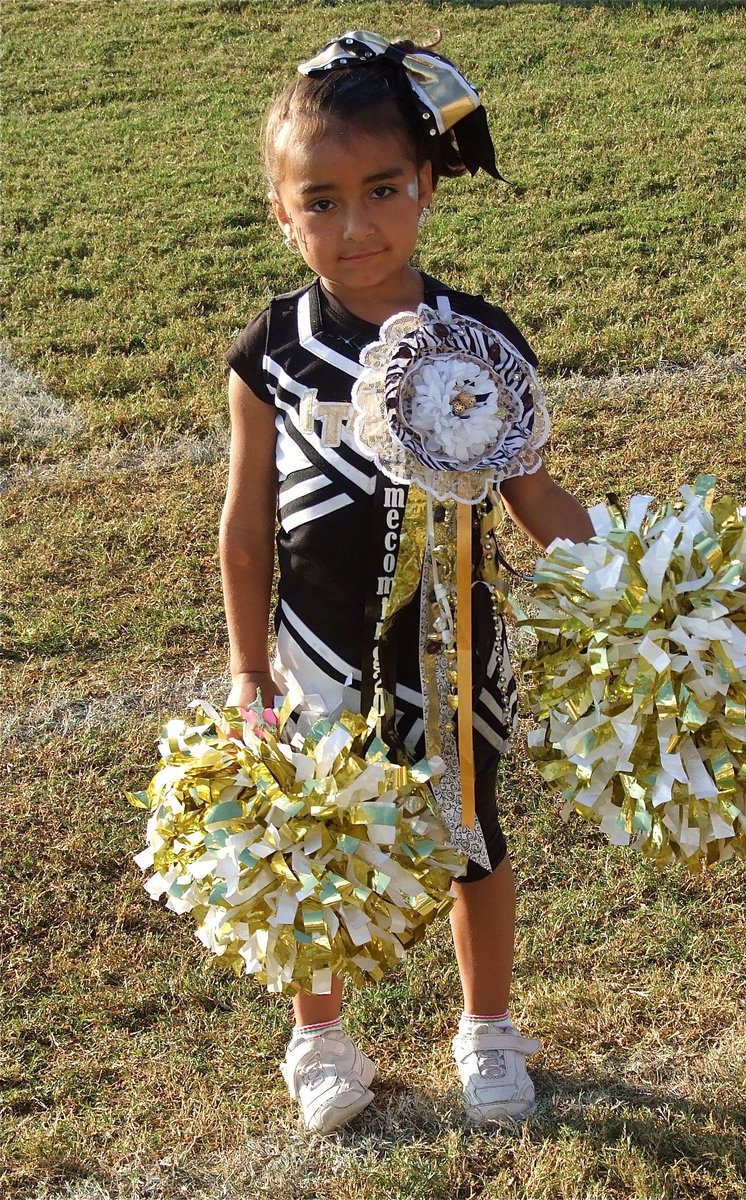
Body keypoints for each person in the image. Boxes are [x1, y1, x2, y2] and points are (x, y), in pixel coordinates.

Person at [220, 31, 594, 1134]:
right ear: (282, 213)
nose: (357, 226)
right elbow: (245, 529)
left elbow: (532, 494)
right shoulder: (273, 351)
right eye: (321, 201)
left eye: (383, 190)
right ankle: (320, 1034)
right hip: (315, 649)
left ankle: (487, 1028)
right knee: (317, 835)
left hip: (454, 640)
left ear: (428, 185)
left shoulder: (478, 338)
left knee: (470, 833)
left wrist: (624, 576)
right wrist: (249, 675)